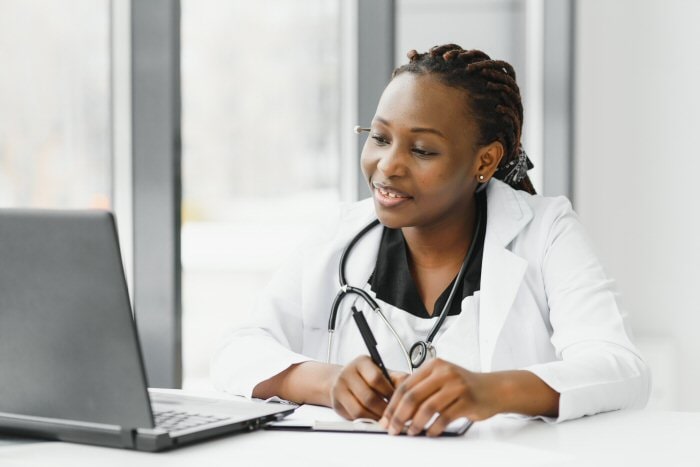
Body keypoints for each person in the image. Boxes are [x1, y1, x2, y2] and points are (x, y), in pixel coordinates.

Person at [211, 44, 650, 436]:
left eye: (421, 150)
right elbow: (236, 351)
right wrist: (328, 381)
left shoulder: (546, 231)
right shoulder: (340, 235)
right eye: (380, 138)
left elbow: (621, 369)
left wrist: (488, 391)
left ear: (486, 159)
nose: (389, 165)